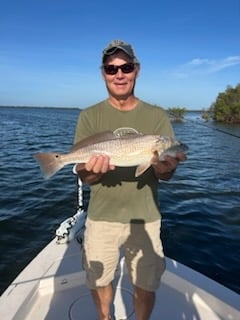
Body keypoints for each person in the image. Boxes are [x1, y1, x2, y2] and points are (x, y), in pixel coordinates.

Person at [74, 40, 186, 320]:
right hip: (102, 216)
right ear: (103, 74)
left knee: (146, 286)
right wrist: (94, 170)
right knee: (99, 281)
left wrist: (164, 166)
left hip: (145, 218)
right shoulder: (89, 116)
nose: (119, 74)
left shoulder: (156, 116)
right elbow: (84, 175)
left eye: (126, 67)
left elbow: (166, 174)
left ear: (137, 70)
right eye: (112, 69)